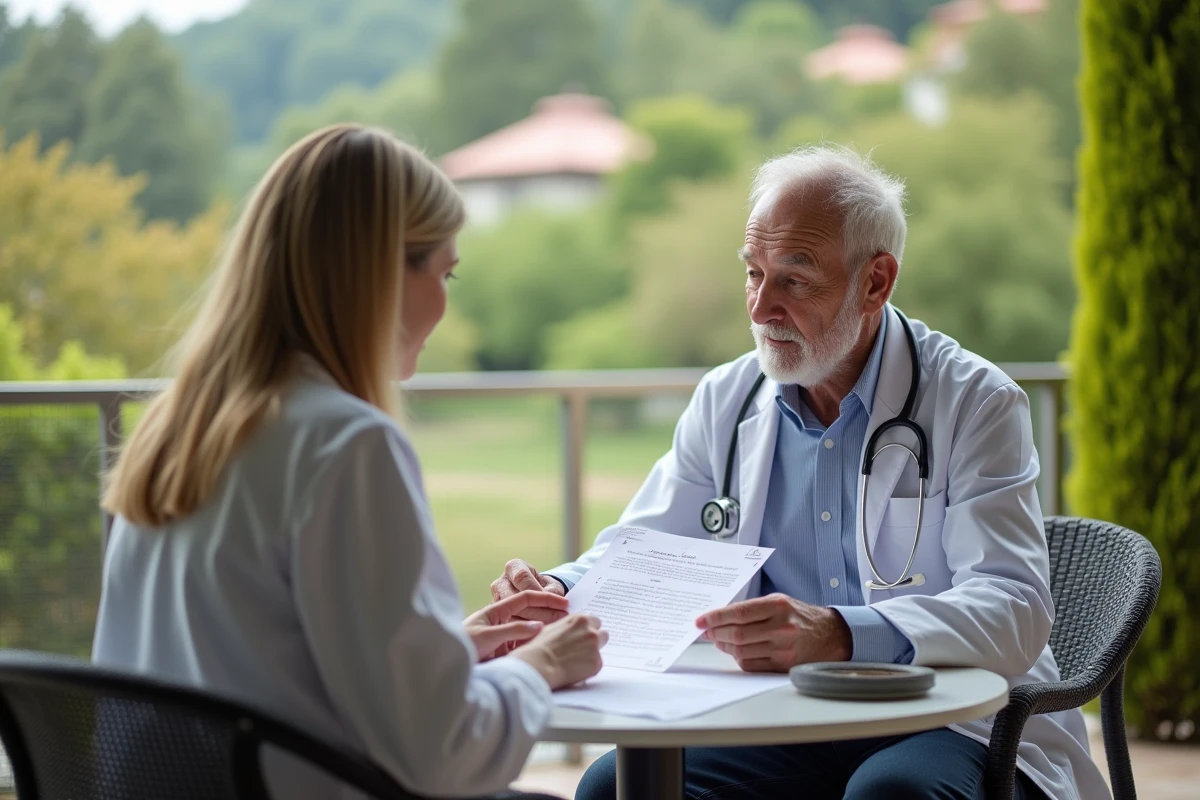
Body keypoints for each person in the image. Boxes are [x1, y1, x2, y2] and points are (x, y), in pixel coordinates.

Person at [490, 145, 1108, 800]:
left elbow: (1013, 609)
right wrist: (555, 589)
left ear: (876, 282)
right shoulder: (725, 401)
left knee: (890, 794)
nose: (760, 308)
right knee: (613, 785)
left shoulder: (975, 401)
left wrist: (840, 635)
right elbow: (648, 555)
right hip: (785, 718)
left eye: (794, 278)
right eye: (753, 273)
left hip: (953, 721)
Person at [92, 124, 606, 800]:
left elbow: (252, 662)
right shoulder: (346, 443)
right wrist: (538, 667)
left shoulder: (179, 428)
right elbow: (440, 754)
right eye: (445, 272)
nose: (446, 304)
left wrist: (441, 652)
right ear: (381, 274)